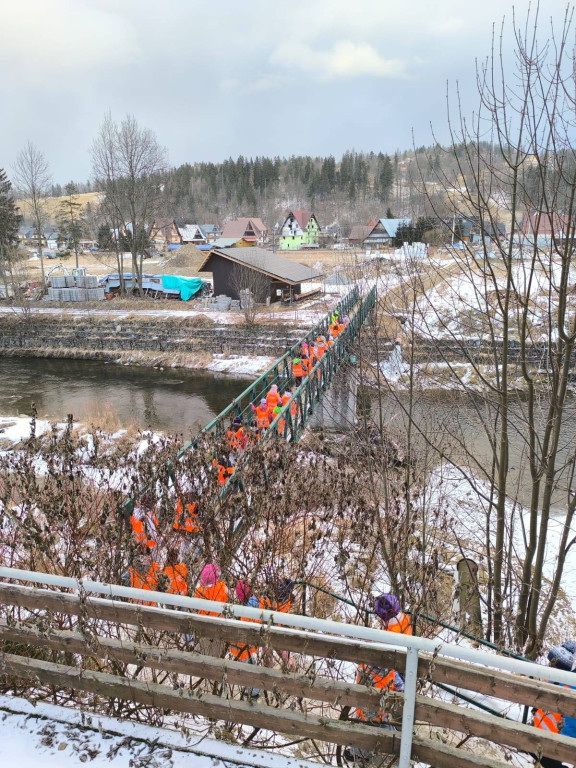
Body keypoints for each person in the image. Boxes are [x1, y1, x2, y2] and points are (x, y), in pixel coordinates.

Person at [531, 642, 576, 768]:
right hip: (543, 736)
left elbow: (571, 725)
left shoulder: (568, 685)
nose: (549, 665)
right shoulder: (554, 679)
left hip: (556, 744)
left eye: (552, 663)